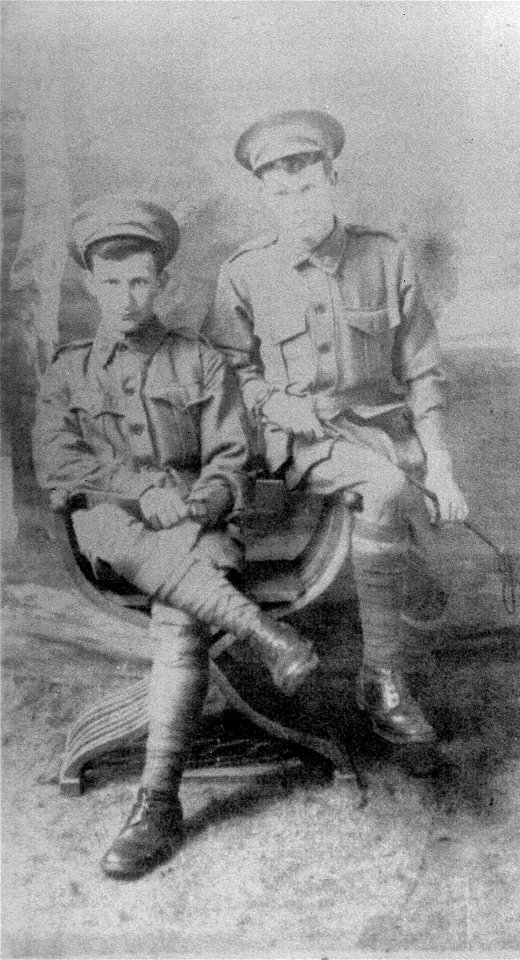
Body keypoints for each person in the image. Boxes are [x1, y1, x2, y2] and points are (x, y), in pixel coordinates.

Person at [32, 195, 318, 879]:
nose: (126, 297)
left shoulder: (200, 361)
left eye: (139, 282)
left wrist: (202, 499)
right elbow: (60, 464)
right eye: (111, 283)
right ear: (90, 286)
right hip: (113, 533)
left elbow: (231, 457)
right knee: (103, 521)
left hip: (198, 525)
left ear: (162, 284)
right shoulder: (69, 369)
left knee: (181, 611)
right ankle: (262, 632)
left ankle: (157, 803)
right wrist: (141, 489)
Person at [203, 109, 469, 748]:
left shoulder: (384, 255)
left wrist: (440, 460)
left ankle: (402, 562)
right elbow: (231, 371)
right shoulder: (244, 272)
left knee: (406, 477)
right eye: (280, 190)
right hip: (300, 439)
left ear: (333, 176)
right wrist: (282, 406)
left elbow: (424, 368)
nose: (295, 199)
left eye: (308, 184)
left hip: (386, 427)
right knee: (382, 487)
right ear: (264, 193)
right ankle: (382, 678)